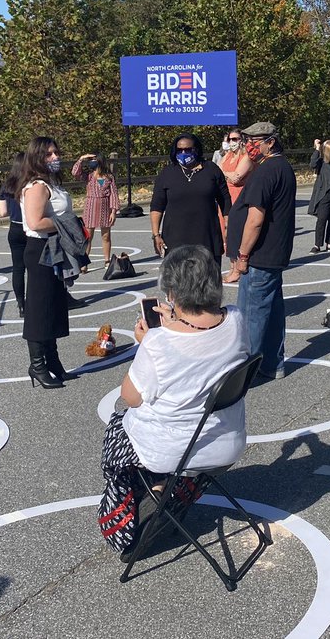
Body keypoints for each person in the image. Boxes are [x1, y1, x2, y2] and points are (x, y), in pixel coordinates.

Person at [98, 244, 249, 554]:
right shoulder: (237, 321)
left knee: (116, 428)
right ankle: (167, 488)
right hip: (226, 445)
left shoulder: (158, 343)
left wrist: (148, 342)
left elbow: (131, 397)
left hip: (172, 453)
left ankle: (129, 518)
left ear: (172, 292)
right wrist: (174, 324)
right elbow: (201, 342)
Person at [224, 122, 296, 381]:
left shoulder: (267, 172)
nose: (249, 145)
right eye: (246, 140)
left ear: (271, 142)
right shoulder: (281, 167)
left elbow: (255, 219)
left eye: (255, 140)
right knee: (273, 313)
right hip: (274, 254)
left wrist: (242, 256)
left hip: (260, 255)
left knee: (251, 316)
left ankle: (246, 373)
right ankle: (272, 363)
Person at [20, 136, 75, 389]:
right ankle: (37, 364)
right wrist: (68, 225)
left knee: (53, 305)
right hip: (41, 248)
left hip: (54, 247)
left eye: (56, 152)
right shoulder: (37, 186)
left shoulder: (51, 183)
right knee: (39, 309)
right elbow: (35, 222)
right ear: (37, 158)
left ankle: (53, 360)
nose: (55, 157)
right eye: (49, 154)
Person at [149, 133, 231, 265]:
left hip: (207, 237)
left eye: (187, 149)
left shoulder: (211, 169)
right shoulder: (167, 173)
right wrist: (155, 234)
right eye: (179, 150)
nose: (183, 152)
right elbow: (156, 206)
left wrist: (228, 227)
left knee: (208, 282)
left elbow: (225, 200)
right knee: (177, 282)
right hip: (175, 240)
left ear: (196, 149)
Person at [72, 153, 121, 270]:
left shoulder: (109, 177)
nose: (92, 162)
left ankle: (107, 260)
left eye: (94, 160)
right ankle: (85, 262)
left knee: (106, 236)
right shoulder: (88, 176)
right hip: (91, 206)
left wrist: (113, 211)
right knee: (88, 236)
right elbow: (75, 173)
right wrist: (81, 159)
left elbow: (114, 194)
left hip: (105, 207)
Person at [0, 153, 26, 317]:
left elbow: (3, 212)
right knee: (34, 268)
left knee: (18, 269)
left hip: (14, 228)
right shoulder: (30, 184)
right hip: (30, 228)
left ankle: (21, 303)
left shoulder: (7, 185)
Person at [218, 128, 254, 206]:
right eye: (229, 139)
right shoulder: (228, 155)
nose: (231, 142)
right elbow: (217, 171)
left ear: (242, 140)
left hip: (239, 198)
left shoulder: (247, 156)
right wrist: (229, 175)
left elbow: (235, 179)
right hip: (224, 197)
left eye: (234, 139)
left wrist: (223, 174)